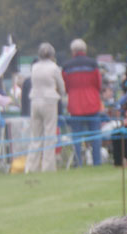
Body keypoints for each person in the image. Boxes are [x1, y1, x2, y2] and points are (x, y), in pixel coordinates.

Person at [24, 43, 66, 173]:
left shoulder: (34, 67)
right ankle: (47, 167)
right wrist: (60, 93)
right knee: (49, 135)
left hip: (35, 100)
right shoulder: (54, 68)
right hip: (49, 101)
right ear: (52, 55)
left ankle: (31, 167)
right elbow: (62, 87)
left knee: (35, 136)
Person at [62, 38, 103, 166]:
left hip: (75, 105)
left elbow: (66, 86)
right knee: (95, 135)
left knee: (77, 137)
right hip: (92, 103)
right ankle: (97, 162)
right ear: (84, 50)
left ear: (73, 51)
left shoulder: (66, 67)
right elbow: (98, 84)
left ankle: (78, 162)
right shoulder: (93, 64)